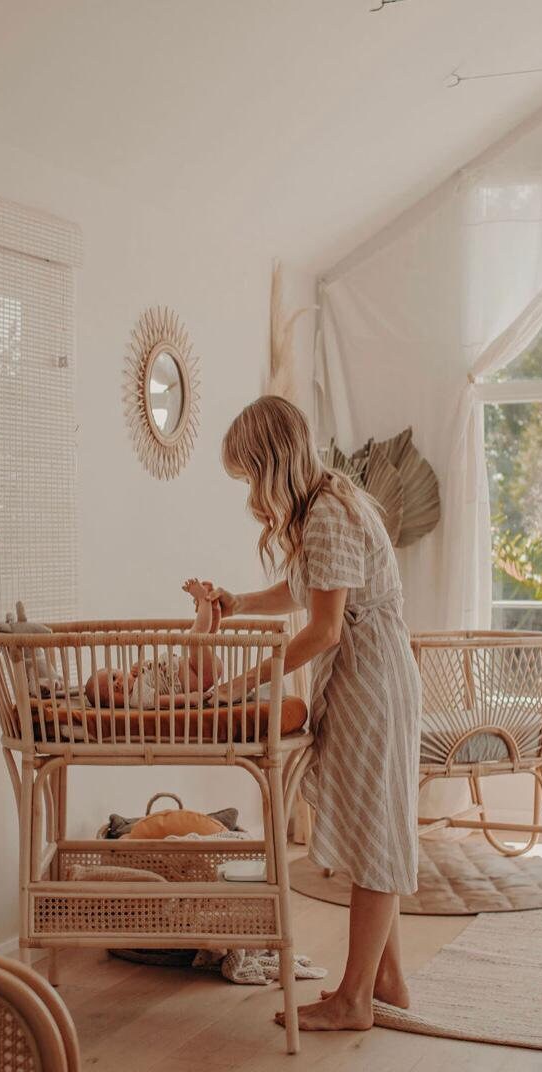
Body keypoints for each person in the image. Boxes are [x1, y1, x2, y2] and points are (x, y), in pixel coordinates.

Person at [206, 396, 421, 1032]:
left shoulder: (327, 513)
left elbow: (325, 628)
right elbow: (311, 590)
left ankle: (355, 1000)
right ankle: (387, 982)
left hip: (369, 679)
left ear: (268, 463)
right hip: (367, 676)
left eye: (248, 474)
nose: (249, 491)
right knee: (373, 830)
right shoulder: (327, 504)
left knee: (377, 836)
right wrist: (239, 603)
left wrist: (247, 680)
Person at [85, 579, 222, 707]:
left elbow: (153, 674)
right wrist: (189, 698)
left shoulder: (136, 677)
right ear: (112, 705)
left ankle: (213, 611)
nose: (117, 684)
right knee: (195, 638)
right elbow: (160, 701)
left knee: (204, 639)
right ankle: (205, 600)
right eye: (113, 690)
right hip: (199, 676)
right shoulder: (137, 698)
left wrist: (142, 666)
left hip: (191, 665)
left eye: (114, 677)